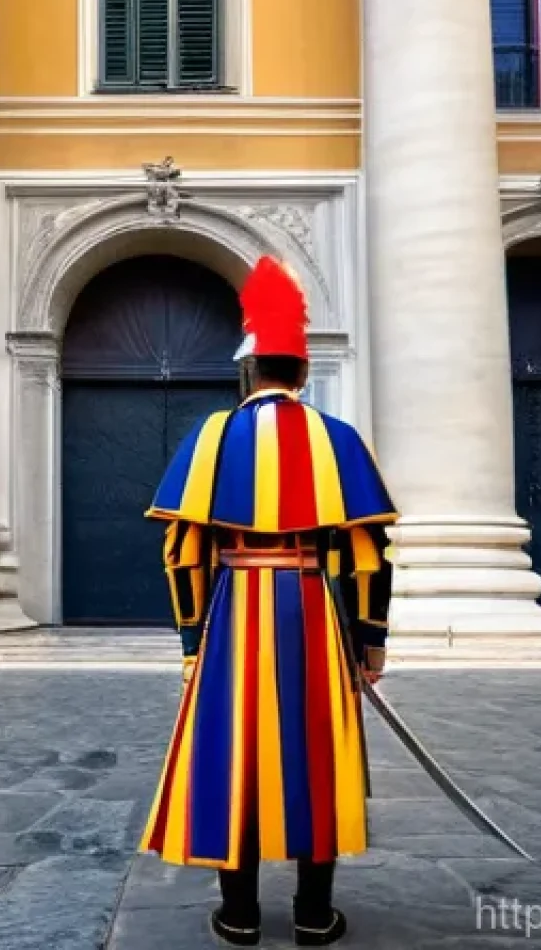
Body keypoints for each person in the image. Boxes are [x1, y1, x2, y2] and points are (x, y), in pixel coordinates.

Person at [139, 256, 398, 947]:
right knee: (317, 752)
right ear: (304, 372)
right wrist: (370, 643)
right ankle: (315, 915)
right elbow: (371, 558)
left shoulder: (209, 439)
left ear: (248, 372)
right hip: (314, 611)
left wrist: (193, 642)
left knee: (233, 751)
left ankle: (240, 915)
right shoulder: (339, 440)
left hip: (231, 616)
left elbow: (182, 554)